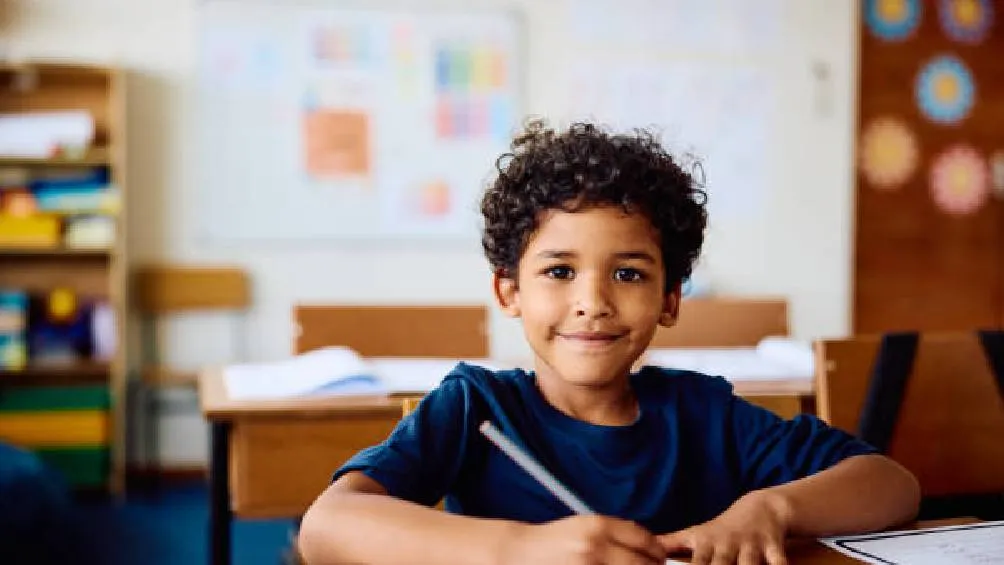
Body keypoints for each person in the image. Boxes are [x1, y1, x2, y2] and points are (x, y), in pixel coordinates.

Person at [298, 121, 920, 565]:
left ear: (671, 299)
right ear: (509, 292)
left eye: (628, 273)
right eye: (559, 271)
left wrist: (773, 510)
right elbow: (326, 527)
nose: (593, 301)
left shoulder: (703, 414)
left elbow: (890, 484)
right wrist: (519, 550)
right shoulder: (477, 409)